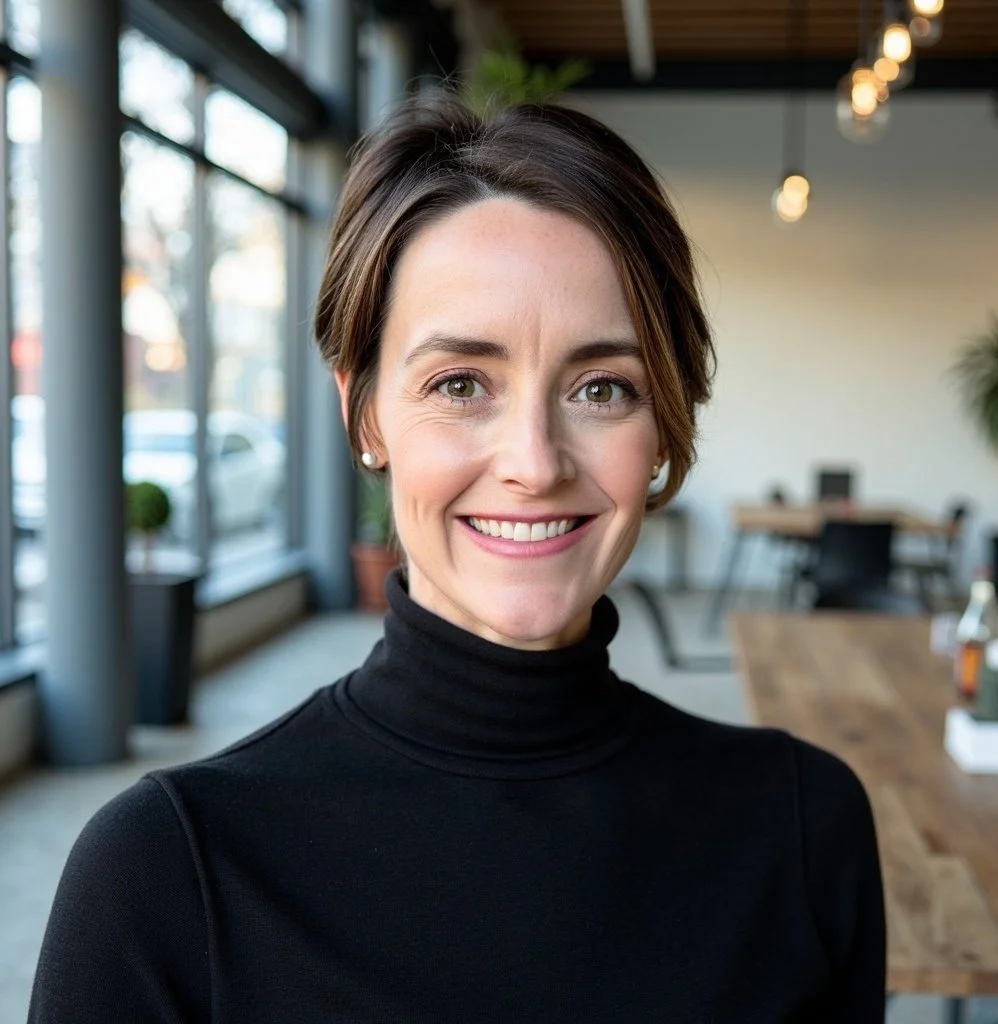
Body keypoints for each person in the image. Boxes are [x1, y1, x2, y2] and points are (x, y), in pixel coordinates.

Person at [29, 92, 886, 1022]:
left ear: (666, 425)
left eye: (602, 387)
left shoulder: (801, 833)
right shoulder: (168, 873)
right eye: (461, 383)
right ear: (364, 414)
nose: (534, 462)